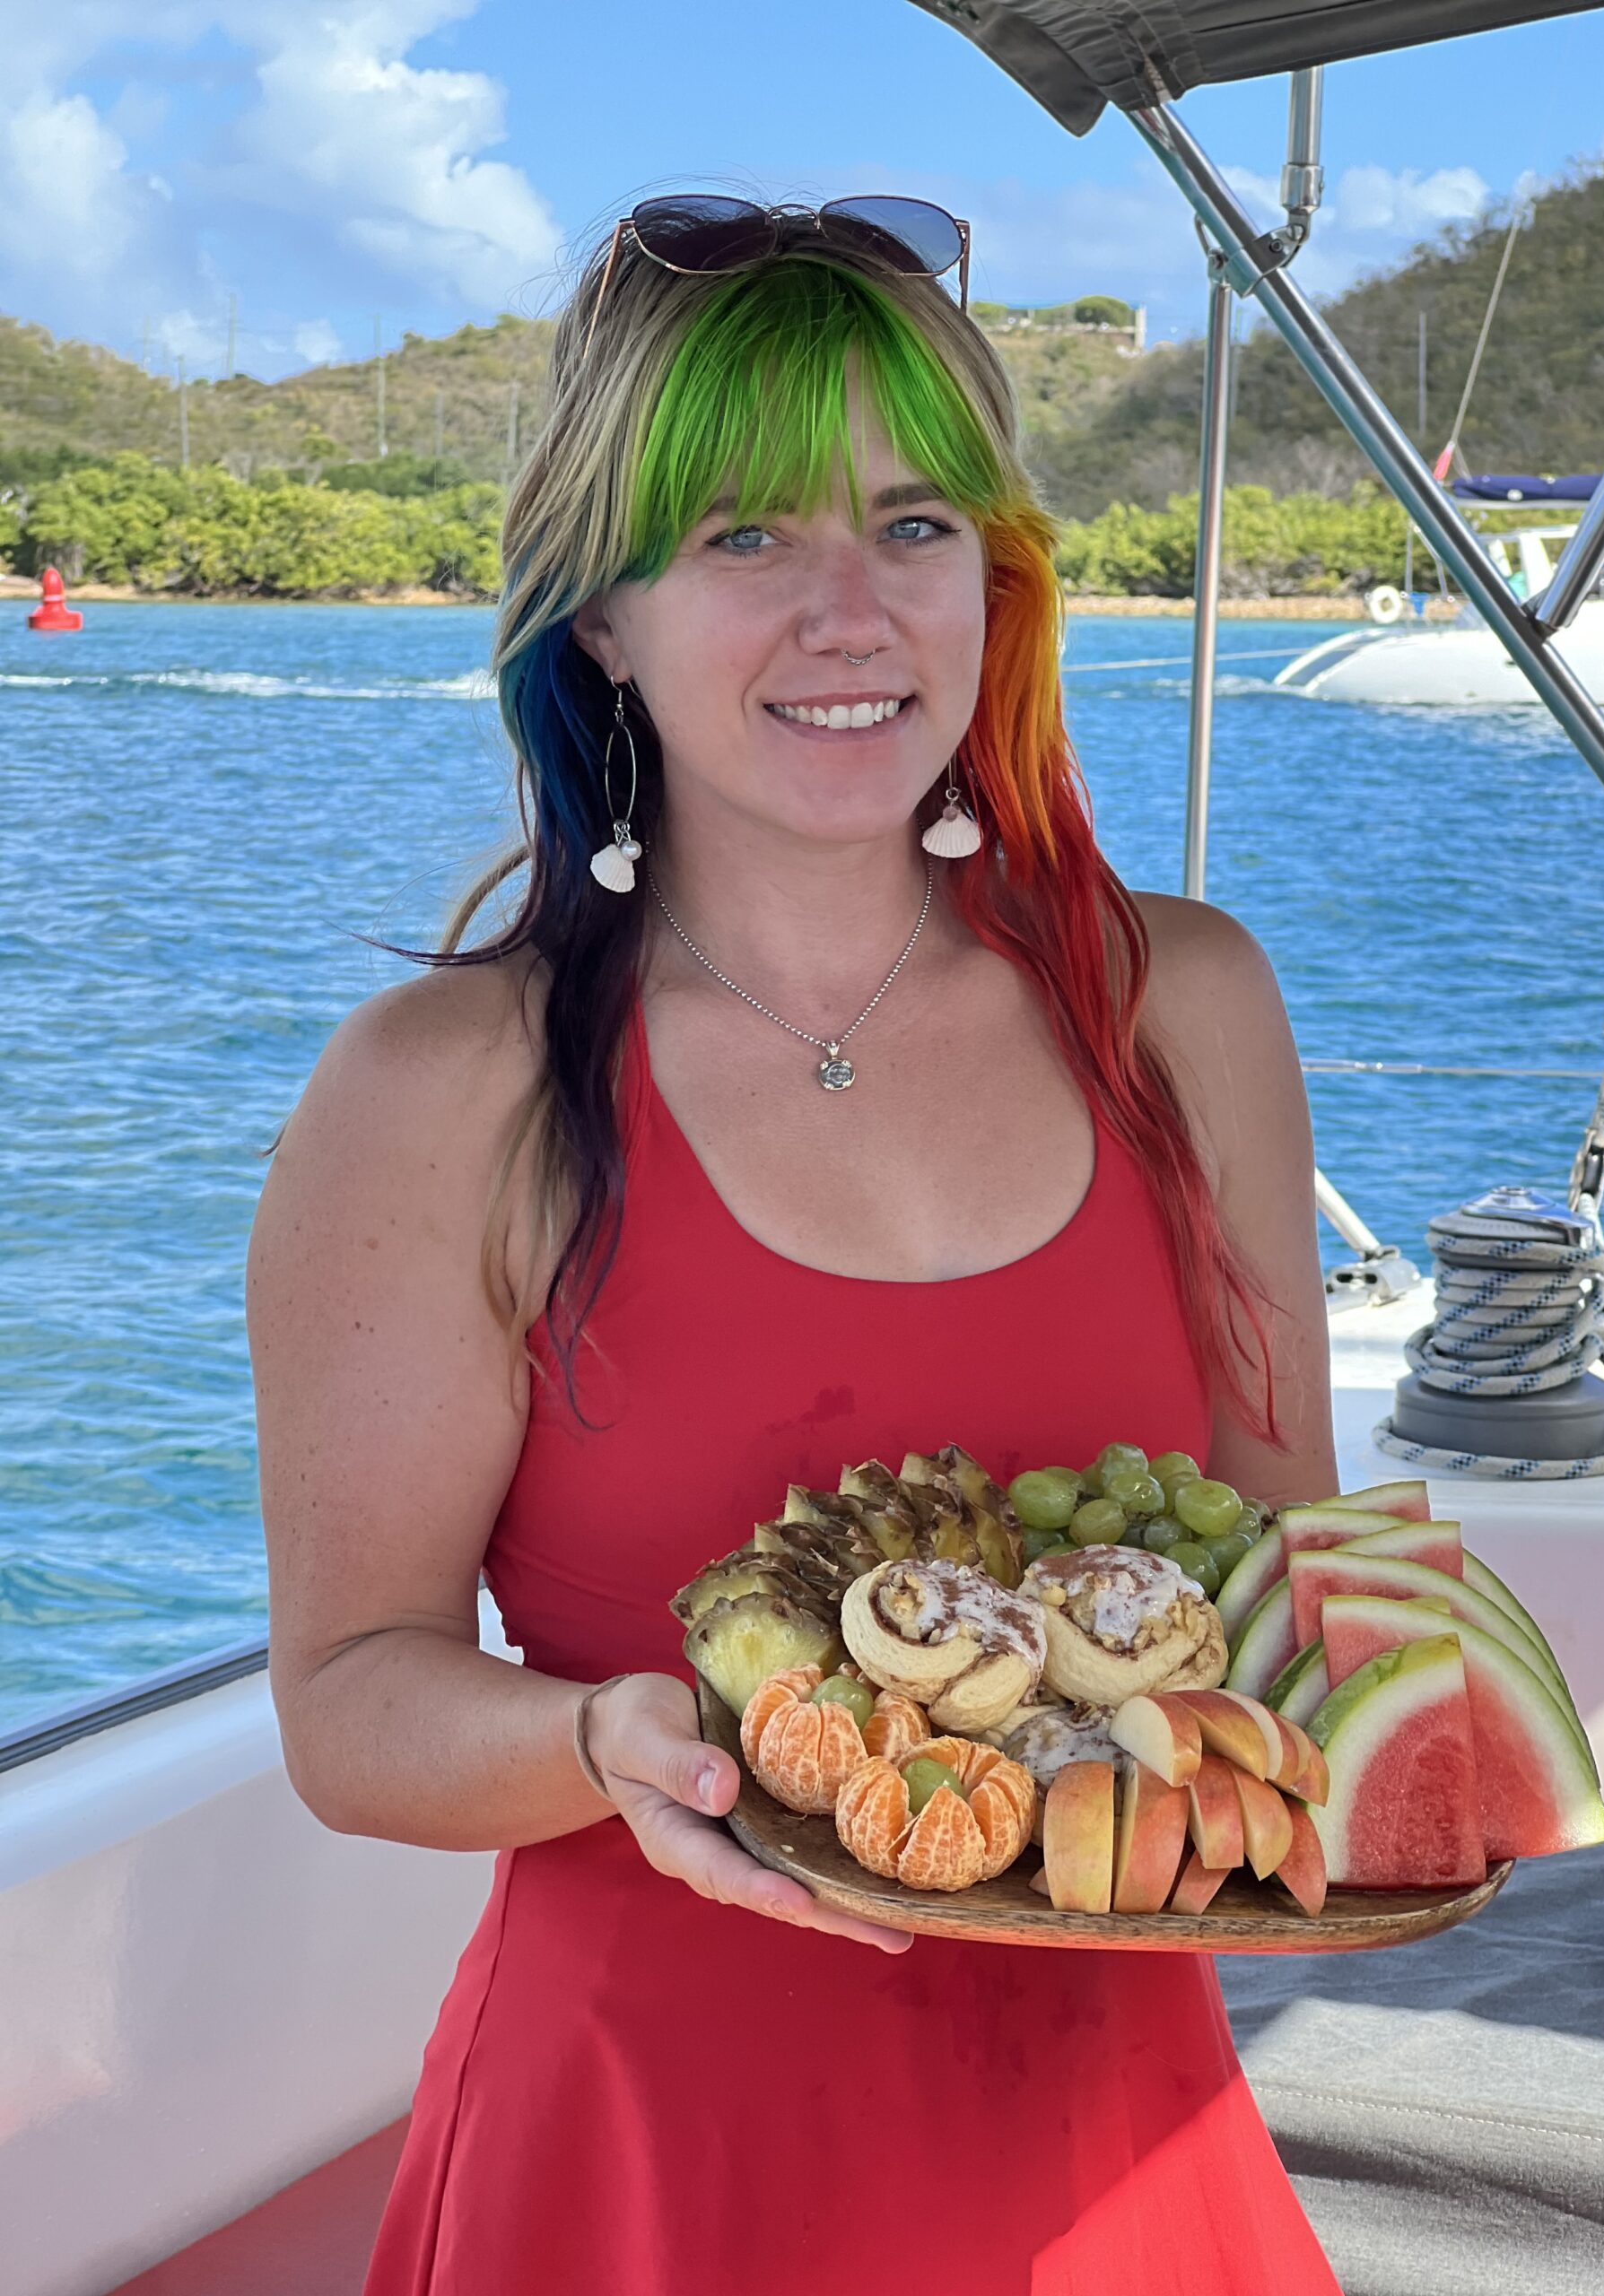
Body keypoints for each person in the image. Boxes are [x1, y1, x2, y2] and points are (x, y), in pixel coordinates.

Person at [248, 195, 1342, 2296]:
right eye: (744, 534)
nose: (853, 612)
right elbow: (350, 1701)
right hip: (636, 2172)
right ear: (601, 617)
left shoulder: (1185, 1006)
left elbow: (1292, 1570)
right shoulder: (443, 1089)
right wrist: (605, 1741)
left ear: (993, 581)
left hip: (1123, 2144)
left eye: (915, 524)